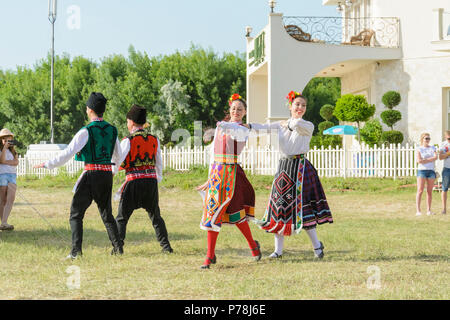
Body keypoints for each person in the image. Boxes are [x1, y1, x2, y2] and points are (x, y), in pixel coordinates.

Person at [34, 92, 124, 259]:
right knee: (106, 214)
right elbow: (119, 154)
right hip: (106, 175)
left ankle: (76, 252)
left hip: (91, 174)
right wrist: (113, 169)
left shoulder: (86, 131)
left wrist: (48, 164)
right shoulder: (113, 130)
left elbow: (68, 152)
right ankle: (118, 248)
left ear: (89, 109)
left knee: (76, 213)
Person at [248, 91, 333, 259]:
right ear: (290, 106)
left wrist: (286, 123)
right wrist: (248, 126)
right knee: (279, 207)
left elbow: (295, 125)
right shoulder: (280, 125)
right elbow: (264, 128)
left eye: (303, 105)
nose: (300, 108)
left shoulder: (307, 125)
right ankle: (278, 251)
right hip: (284, 168)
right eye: (297, 105)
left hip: (301, 168)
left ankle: (317, 247)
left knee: (303, 209)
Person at [196, 93, 261, 269]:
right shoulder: (221, 128)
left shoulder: (242, 129)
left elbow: (236, 133)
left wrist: (224, 125)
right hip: (218, 174)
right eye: (233, 108)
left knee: (237, 214)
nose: (236, 111)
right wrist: (209, 178)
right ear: (229, 109)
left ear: (245, 112)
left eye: (240, 109)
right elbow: (212, 155)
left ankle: (253, 247)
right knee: (212, 214)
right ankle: (209, 256)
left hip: (232, 175)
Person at [113, 104, 173, 253]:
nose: (127, 124)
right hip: (150, 181)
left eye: (127, 121)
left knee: (121, 217)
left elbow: (118, 160)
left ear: (132, 122)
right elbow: (158, 162)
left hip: (134, 181)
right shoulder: (154, 139)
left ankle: (118, 248)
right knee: (156, 216)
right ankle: (166, 247)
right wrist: (156, 179)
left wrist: (111, 173)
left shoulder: (128, 140)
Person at [0, 129, 18, 231]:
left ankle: (4, 222)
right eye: (4, 139)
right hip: (2, 175)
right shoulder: (1, 150)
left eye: (9, 139)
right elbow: (1, 160)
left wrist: (6, 162)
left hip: (12, 176)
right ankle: (4, 222)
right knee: (2, 199)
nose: (7, 141)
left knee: (10, 198)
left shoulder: (13, 151)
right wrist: (4, 149)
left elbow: (16, 162)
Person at [416, 132, 438, 216]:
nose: (428, 140)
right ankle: (418, 210)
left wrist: (425, 160)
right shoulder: (419, 148)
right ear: (422, 139)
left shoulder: (433, 147)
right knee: (420, 190)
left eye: (429, 138)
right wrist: (430, 159)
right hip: (422, 171)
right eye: (426, 138)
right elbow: (419, 161)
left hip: (431, 171)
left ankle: (429, 210)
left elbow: (435, 157)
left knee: (429, 191)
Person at [438, 130, 450, 215]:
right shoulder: (443, 144)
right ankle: (444, 209)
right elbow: (440, 157)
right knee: (444, 189)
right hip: (447, 169)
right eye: (449, 138)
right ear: (446, 137)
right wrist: (448, 153)